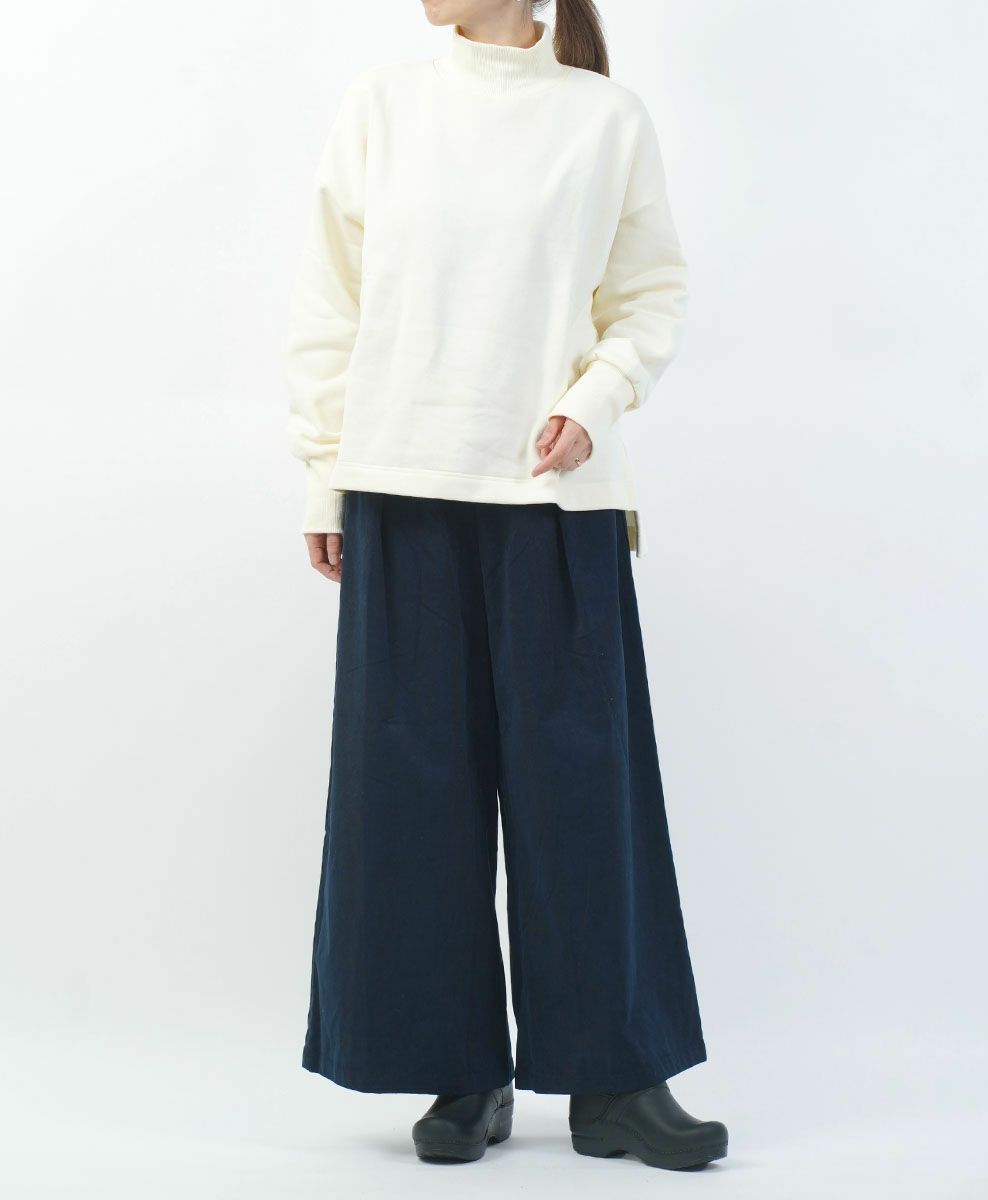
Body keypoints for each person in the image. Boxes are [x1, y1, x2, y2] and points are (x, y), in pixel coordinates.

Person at [284, 0, 728, 1171]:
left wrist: (594, 400)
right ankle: (460, 1072)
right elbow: (331, 304)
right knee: (409, 799)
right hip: (400, 486)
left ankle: (615, 1082)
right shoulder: (383, 109)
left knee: (582, 795)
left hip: (554, 496)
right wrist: (327, 477)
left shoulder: (604, 120)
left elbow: (649, 296)